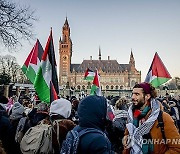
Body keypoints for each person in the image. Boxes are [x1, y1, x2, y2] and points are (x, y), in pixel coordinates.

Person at [123, 82, 180, 154]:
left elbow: (176, 148)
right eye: (133, 94)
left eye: (137, 94)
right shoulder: (131, 116)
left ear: (147, 96)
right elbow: (127, 139)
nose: (133, 97)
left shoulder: (163, 118)